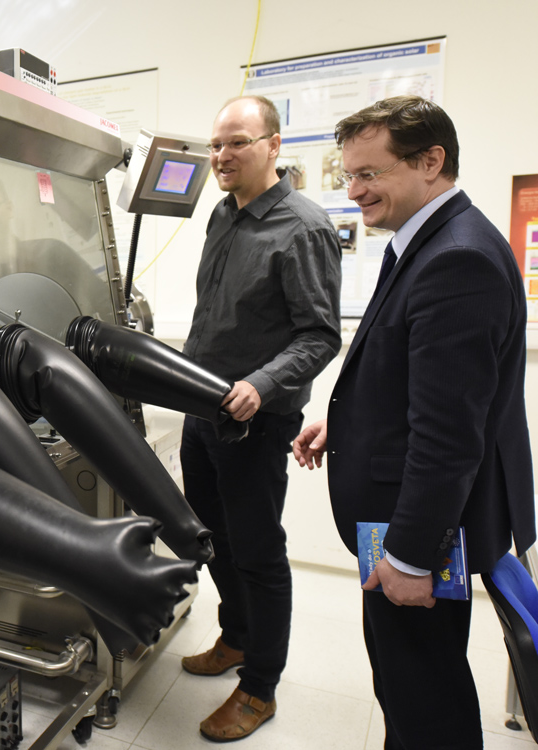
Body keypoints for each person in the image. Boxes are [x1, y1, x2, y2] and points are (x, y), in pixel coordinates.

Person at [293, 95, 535, 749]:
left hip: (417, 531)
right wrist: (344, 426)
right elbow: (423, 386)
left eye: (370, 174)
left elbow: (448, 437)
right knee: (406, 688)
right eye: (350, 175)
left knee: (424, 700)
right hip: (412, 517)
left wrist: (407, 556)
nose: (353, 192)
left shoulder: (457, 259)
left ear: (431, 161)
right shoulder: (428, 242)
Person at [179, 95, 342, 742]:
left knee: (258, 553)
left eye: (237, 142)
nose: (222, 155)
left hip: (256, 421)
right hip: (201, 410)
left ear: (274, 145)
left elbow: (320, 335)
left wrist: (261, 383)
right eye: (216, 144)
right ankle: (238, 636)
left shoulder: (304, 227)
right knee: (210, 538)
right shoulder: (223, 214)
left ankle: (259, 688)